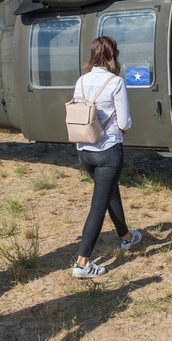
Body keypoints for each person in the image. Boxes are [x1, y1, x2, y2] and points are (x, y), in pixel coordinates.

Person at [71, 36, 142, 278]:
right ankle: (82, 263)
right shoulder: (116, 82)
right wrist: (123, 128)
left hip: (84, 151)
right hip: (108, 151)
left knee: (110, 193)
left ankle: (126, 237)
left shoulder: (81, 81)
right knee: (99, 205)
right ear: (113, 55)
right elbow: (124, 122)